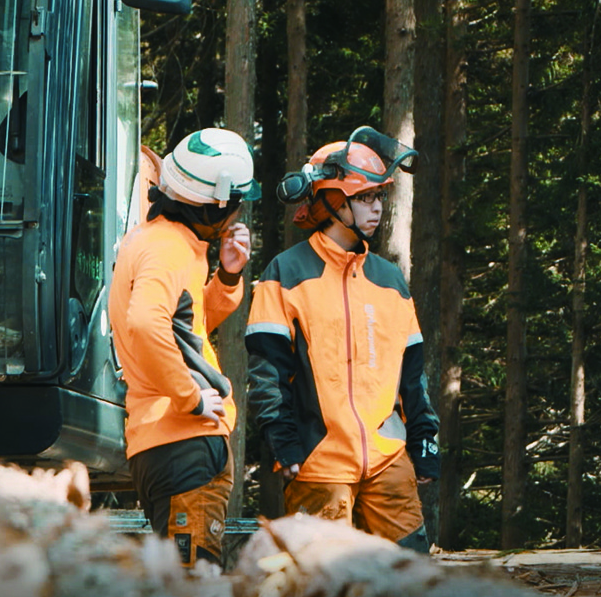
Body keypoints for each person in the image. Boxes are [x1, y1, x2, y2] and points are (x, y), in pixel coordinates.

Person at [245, 128, 439, 552]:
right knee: (324, 586)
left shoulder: (390, 280)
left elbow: (413, 375)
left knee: (413, 582)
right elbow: (267, 372)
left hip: (388, 460)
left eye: (380, 197)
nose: (377, 208)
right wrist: (283, 443)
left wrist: (424, 436)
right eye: (365, 197)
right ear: (333, 201)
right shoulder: (286, 273)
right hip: (319, 463)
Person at [110, 127, 258, 567]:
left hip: (165, 441)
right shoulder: (168, 249)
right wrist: (190, 397)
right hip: (184, 442)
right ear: (215, 203)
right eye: (234, 205)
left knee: (180, 582)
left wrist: (228, 277)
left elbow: (185, 327)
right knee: (193, 585)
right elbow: (144, 323)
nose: (234, 216)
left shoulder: (162, 241)